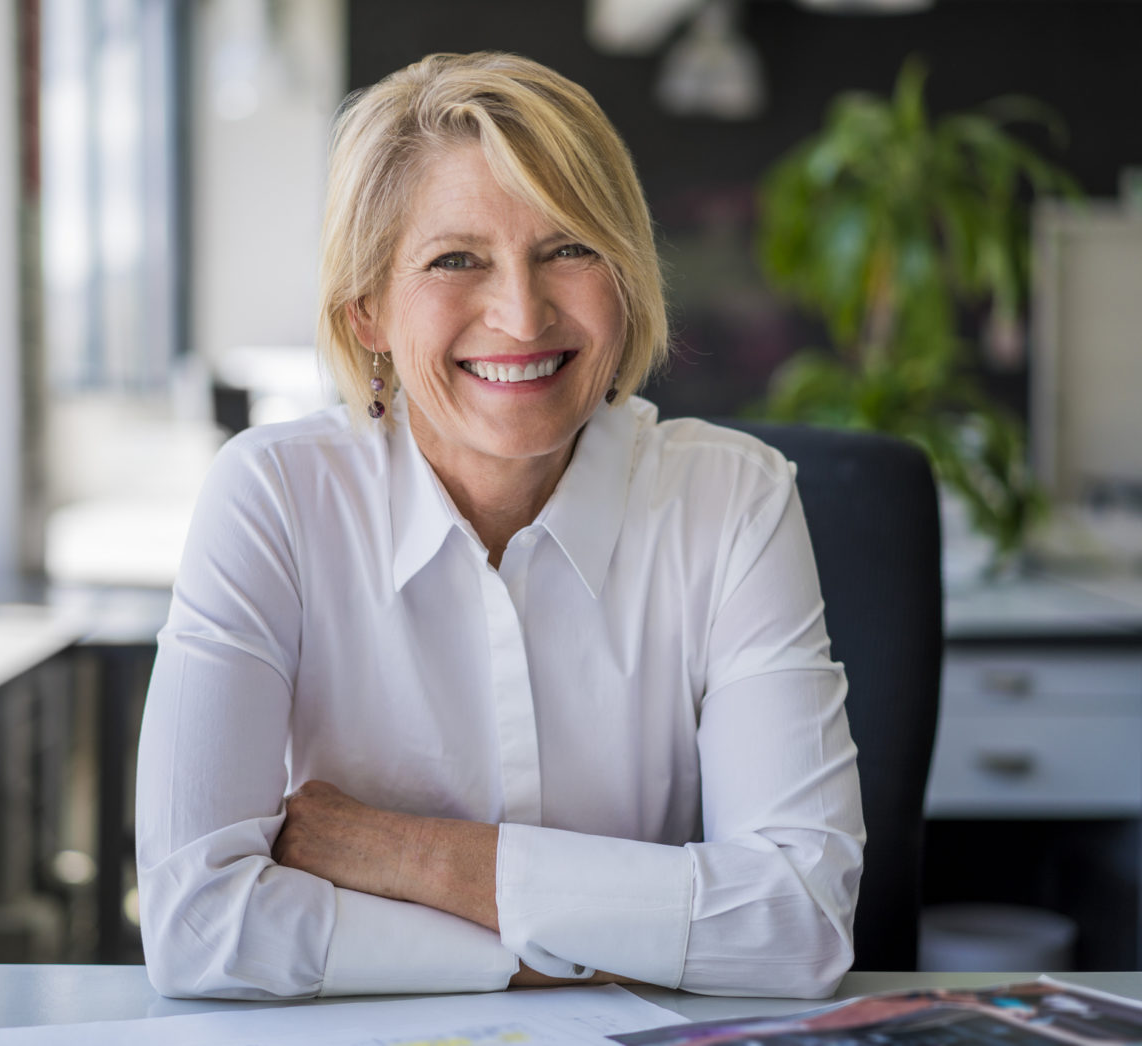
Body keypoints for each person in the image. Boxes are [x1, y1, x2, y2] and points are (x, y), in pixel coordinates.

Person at [135, 51, 863, 1001]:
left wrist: (404, 856)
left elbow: (799, 922)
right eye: (455, 260)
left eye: (569, 248)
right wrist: (583, 944)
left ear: (628, 276)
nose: (521, 315)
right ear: (367, 313)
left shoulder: (734, 500)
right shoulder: (274, 497)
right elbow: (198, 929)